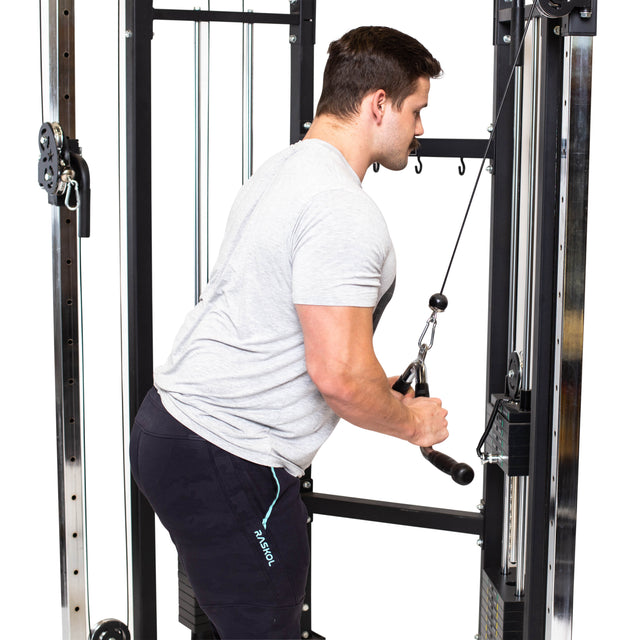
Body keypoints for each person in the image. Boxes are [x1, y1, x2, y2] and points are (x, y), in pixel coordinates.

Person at [130, 25, 448, 640]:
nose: (421, 129)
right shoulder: (343, 210)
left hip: (171, 430)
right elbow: (338, 379)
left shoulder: (281, 171)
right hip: (227, 457)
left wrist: (376, 383)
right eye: (416, 110)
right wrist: (414, 424)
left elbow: (278, 327)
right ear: (378, 104)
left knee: (233, 625)